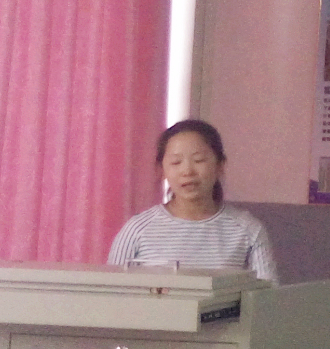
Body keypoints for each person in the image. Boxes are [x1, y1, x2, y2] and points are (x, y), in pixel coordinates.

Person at [108, 119, 278, 282]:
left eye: (199, 160)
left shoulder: (248, 230)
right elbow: (110, 292)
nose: (187, 171)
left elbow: (266, 295)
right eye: (176, 162)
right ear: (161, 170)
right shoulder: (137, 230)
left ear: (220, 165)